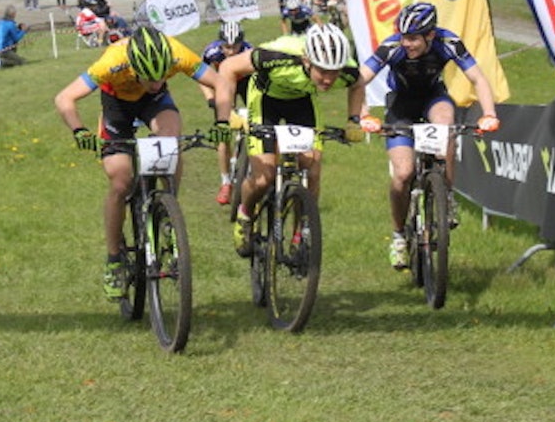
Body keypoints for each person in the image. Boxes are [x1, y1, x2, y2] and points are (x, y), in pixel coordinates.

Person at [53, 26, 220, 300]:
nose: (155, 82)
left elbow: (220, 81)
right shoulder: (112, 61)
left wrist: (222, 122)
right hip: (117, 107)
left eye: (160, 77)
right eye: (149, 78)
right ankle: (114, 259)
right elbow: (64, 97)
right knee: (120, 181)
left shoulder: (176, 52)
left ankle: (167, 209)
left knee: (170, 141)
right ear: (134, 67)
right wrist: (79, 130)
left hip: (154, 104)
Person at [354, 2, 499, 270]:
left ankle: (446, 196)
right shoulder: (393, 46)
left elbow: (478, 78)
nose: (406, 43)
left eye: (412, 38)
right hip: (400, 105)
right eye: (403, 36)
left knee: (447, 127)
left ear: (430, 35)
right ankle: (398, 237)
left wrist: (489, 114)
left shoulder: (448, 42)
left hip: (434, 97)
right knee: (403, 174)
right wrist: (363, 114)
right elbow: (360, 79)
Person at [215, 23, 365, 258]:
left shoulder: (345, 68)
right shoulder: (277, 55)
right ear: (307, 60)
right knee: (264, 178)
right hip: (265, 100)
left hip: (303, 102)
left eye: (334, 72)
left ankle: (300, 233)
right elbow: (227, 68)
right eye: (323, 71)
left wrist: (353, 120)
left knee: (312, 171)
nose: (329, 79)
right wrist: (230, 112)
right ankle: (245, 213)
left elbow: (358, 83)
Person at [200, 20, 253, 205]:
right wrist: (210, 99)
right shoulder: (211, 52)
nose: (230, 52)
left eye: (235, 47)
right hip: (222, 85)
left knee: (256, 125)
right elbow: (200, 77)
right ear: (220, 43)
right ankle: (225, 182)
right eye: (226, 47)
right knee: (222, 134)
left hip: (246, 84)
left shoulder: (249, 51)